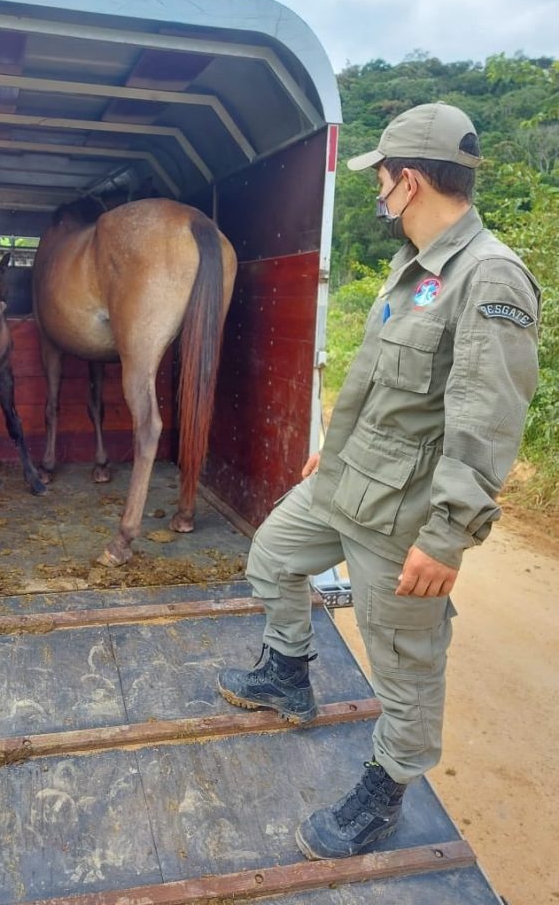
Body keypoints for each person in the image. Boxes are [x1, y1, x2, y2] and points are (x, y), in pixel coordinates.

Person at [217, 103, 541, 859]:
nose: (380, 195)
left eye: (384, 181)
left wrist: (449, 534)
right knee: (270, 557)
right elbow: (379, 380)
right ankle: (288, 672)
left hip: (402, 515)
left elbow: (486, 419)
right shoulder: (413, 267)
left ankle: (385, 790)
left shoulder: (489, 276)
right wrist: (333, 450)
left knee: (406, 669)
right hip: (349, 480)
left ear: (411, 180)